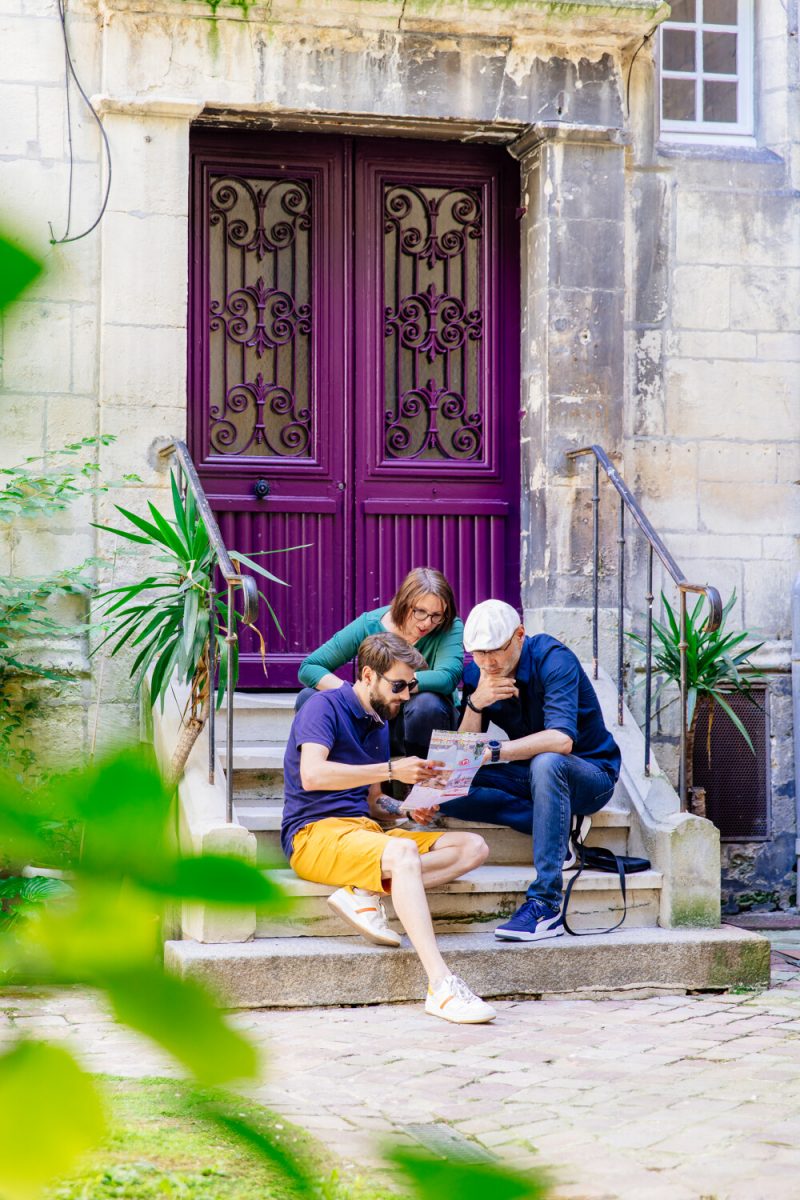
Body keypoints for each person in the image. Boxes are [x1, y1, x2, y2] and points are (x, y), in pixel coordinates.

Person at [281, 631, 496, 1024]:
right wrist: (394, 767)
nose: (407, 695)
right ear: (367, 675)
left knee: (473, 847)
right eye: (398, 685)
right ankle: (441, 986)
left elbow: (372, 801)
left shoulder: (379, 722)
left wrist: (405, 810)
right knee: (403, 853)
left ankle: (361, 889)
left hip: (364, 832)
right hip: (313, 835)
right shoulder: (321, 707)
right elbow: (312, 775)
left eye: (411, 685)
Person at [438, 600, 621, 943]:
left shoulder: (554, 659)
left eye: (496, 651)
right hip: (533, 777)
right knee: (447, 783)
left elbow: (561, 740)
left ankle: (545, 904)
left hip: (590, 775)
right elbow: (463, 751)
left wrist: (496, 752)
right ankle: (558, 824)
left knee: (548, 761)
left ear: (520, 635)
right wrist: (477, 702)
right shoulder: (478, 673)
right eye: (478, 653)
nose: (488, 662)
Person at [296, 567, 462, 761]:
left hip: (422, 725)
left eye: (436, 615)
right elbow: (309, 667)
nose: (427, 622)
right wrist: (351, 694)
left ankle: (422, 784)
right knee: (310, 697)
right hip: (374, 719)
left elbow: (447, 677)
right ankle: (329, 775)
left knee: (426, 704)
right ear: (403, 602)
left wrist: (395, 685)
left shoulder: (449, 626)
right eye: (420, 612)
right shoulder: (370, 623)